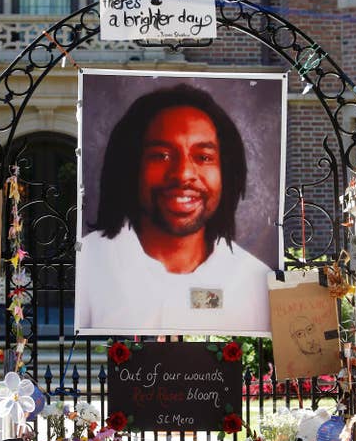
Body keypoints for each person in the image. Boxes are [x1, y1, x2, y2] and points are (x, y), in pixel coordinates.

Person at [76, 83, 272, 334]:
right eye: (162, 155)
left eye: (203, 157)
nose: (183, 174)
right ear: (132, 165)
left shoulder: (253, 279)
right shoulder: (89, 263)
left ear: (226, 172)